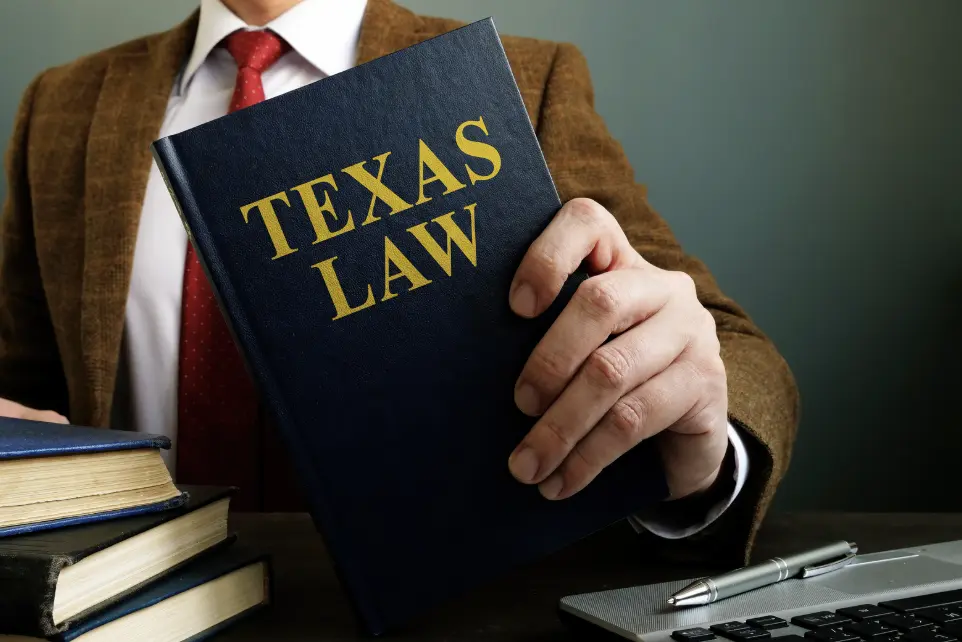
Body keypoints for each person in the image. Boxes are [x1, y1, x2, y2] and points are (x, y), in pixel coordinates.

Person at [0, 0, 798, 565]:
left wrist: (697, 450)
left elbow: (721, 345)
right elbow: (23, 385)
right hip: (131, 607)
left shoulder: (524, 79)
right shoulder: (64, 105)